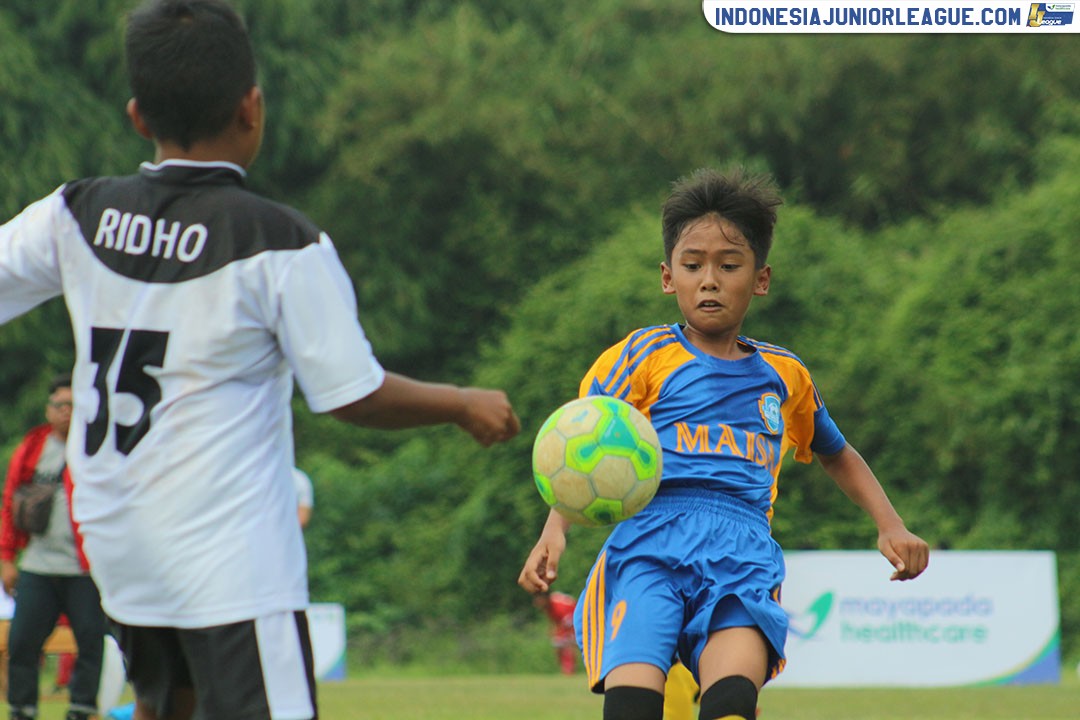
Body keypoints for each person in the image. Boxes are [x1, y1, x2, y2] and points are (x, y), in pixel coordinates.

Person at [0, 2, 520, 719]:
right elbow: (349, 393)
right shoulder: (279, 242)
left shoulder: (76, 213)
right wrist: (462, 402)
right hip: (226, 561)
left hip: (120, 544)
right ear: (252, 108)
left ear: (137, 116)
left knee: (164, 703)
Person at [518, 167, 929, 720]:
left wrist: (891, 523)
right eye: (693, 266)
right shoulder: (639, 357)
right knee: (633, 708)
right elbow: (579, 450)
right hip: (649, 549)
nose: (709, 280)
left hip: (742, 557)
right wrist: (554, 530)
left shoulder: (785, 376)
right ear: (669, 278)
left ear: (759, 278)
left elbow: (836, 451)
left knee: (731, 703)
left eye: (728, 265)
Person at [1, 374, 106, 720]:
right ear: (48, 410)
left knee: (91, 640)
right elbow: (10, 500)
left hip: (84, 566)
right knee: (22, 643)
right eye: (59, 405)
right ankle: (22, 708)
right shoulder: (33, 447)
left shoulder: (96, 445)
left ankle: (81, 708)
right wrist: (6, 558)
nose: (65, 412)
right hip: (38, 564)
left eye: (72, 406)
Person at [534, 591, 577, 675]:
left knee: (568, 646)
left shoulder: (559, 605)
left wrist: (564, 633)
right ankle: (565, 670)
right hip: (565, 622)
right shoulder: (547, 606)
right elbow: (554, 618)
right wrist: (553, 628)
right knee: (558, 646)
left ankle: (570, 671)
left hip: (575, 618)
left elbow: (569, 620)